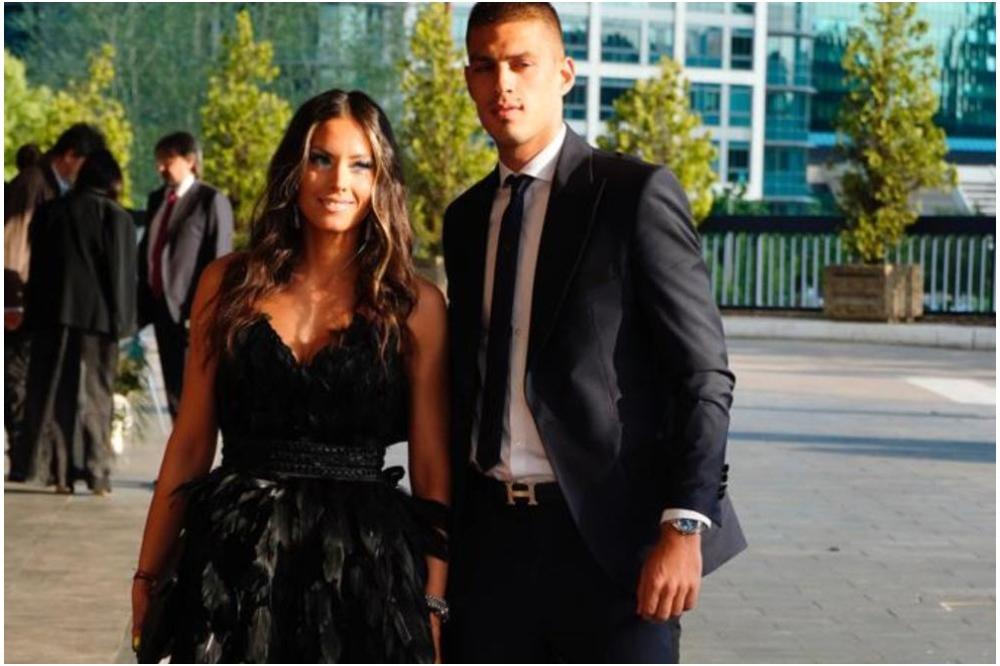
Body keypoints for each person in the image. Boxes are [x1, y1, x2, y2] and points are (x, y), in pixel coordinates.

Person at [442, 3, 747, 662]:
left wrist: (684, 525)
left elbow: (703, 374)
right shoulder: (465, 220)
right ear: (468, 80)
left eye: (522, 63)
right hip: (490, 551)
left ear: (564, 73)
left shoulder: (633, 195)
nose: (503, 84)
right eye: (485, 67)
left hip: (611, 549)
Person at [131, 89, 450, 663]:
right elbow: (191, 440)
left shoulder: (415, 305)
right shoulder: (226, 284)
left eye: (360, 164)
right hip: (234, 561)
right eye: (320, 159)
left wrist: (435, 597)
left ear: (382, 179)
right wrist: (147, 572)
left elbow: (431, 468)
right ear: (293, 170)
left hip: (362, 571)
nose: (338, 182)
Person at [12, 149, 137, 494]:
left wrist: (32, 317)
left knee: (58, 395)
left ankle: (61, 473)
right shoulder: (116, 217)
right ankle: (97, 472)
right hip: (99, 322)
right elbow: (121, 276)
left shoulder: (50, 212)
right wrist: (124, 323)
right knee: (97, 395)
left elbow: (37, 272)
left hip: (52, 318)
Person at [5, 124, 107, 475]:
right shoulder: (33, 183)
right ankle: (25, 458)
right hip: (21, 300)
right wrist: (11, 302)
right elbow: (12, 243)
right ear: (70, 156)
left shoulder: (56, 185)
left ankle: (37, 458)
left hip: (40, 303)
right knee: (17, 382)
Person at [137, 131, 233, 419]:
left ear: (190, 160)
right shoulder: (157, 199)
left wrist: (209, 309)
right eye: (158, 161)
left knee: (196, 390)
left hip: (192, 308)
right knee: (173, 387)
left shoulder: (210, 200)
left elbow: (220, 258)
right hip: (160, 306)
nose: (160, 168)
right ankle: (178, 439)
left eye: (167, 160)